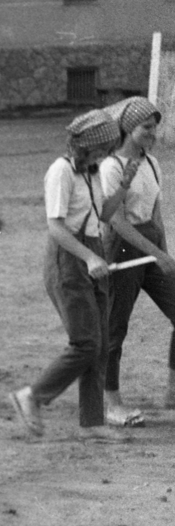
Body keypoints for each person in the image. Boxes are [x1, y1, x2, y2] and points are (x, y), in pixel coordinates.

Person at [9, 111, 123, 438]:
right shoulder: (60, 171)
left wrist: (122, 186)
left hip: (93, 253)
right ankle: (31, 396)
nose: (106, 154)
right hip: (69, 260)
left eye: (110, 147)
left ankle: (92, 422)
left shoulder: (94, 171)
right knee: (86, 342)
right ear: (85, 145)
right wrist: (88, 258)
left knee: (99, 345)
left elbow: (103, 214)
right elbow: (56, 227)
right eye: (102, 147)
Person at [99, 97, 175, 424]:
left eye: (155, 127)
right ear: (129, 129)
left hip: (151, 246)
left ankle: (172, 390)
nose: (153, 133)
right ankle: (111, 403)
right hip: (123, 250)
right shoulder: (111, 167)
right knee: (115, 328)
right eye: (146, 127)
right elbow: (116, 220)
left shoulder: (153, 164)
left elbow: (156, 215)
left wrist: (164, 252)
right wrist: (154, 252)